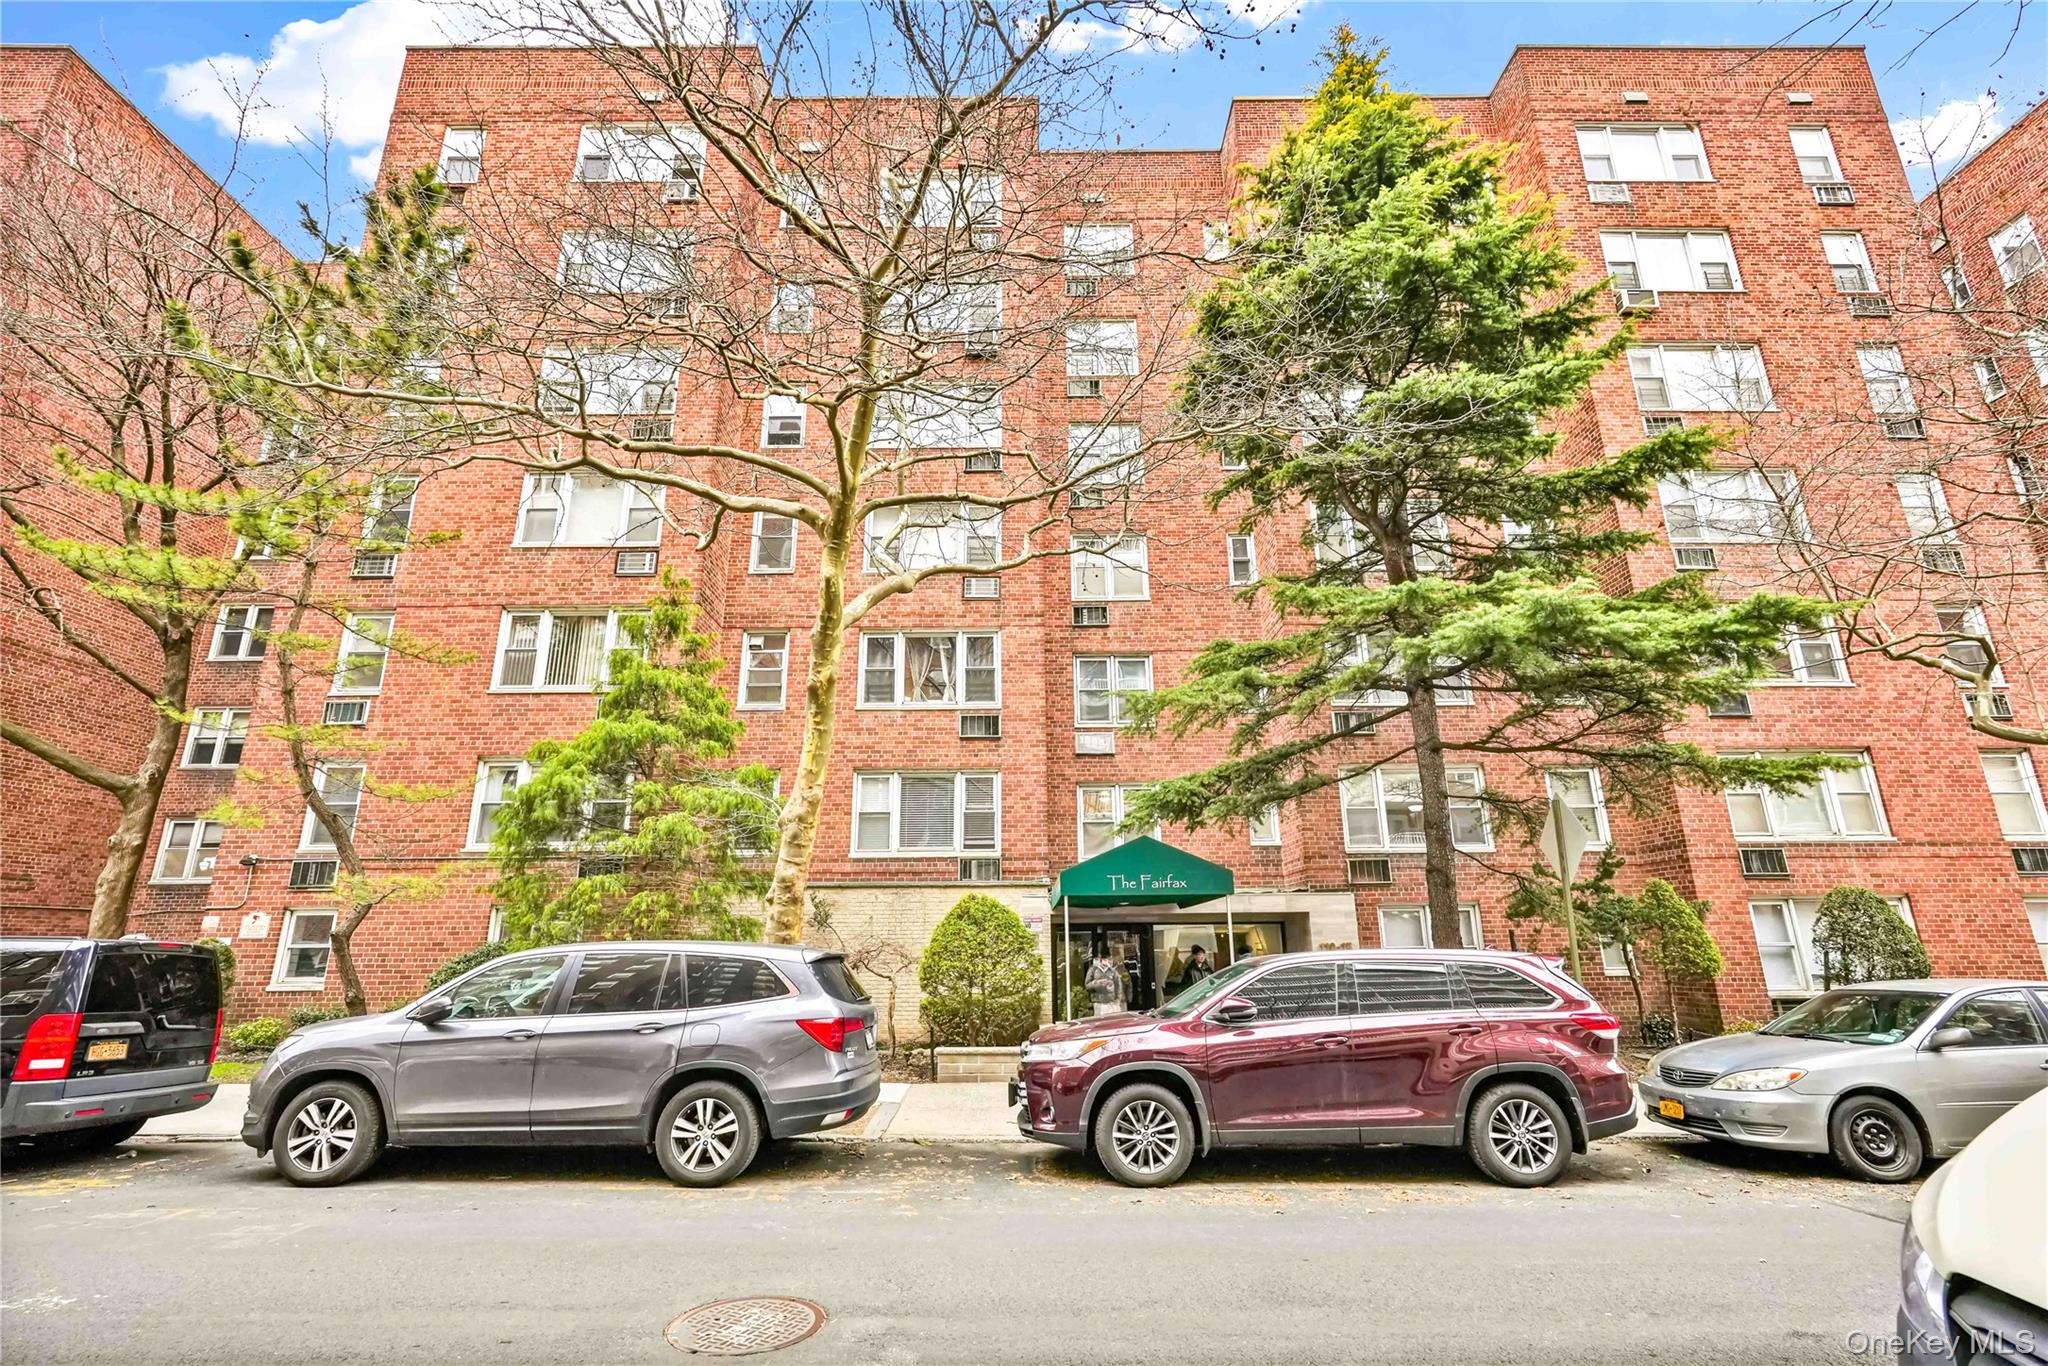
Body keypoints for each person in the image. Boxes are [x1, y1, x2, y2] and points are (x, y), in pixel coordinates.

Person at [1084, 951, 1124, 1017]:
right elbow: (1087, 985)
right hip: (1099, 1002)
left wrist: (1117, 999)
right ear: (1101, 960)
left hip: (1111, 1002)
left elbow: (1118, 985)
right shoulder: (1093, 970)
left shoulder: (1113, 971)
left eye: (1109, 959)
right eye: (1106, 960)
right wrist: (1097, 983)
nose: (1108, 961)